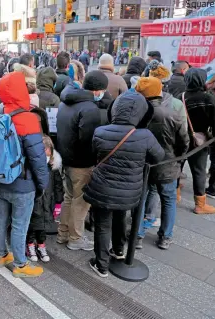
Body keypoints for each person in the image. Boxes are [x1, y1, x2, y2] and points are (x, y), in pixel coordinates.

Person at [83, 91, 164, 277]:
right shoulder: (145, 135)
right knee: (121, 217)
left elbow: (93, 155)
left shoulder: (100, 131)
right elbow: (159, 156)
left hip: (102, 188)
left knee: (103, 224)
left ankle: (101, 265)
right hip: (130, 189)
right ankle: (118, 251)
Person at [0, 72, 49, 278]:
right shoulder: (27, 118)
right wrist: (43, 184)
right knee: (19, 224)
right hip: (22, 182)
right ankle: (20, 265)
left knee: (0, 219)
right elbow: (38, 158)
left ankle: (2, 255)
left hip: (1, 178)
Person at [56, 70, 109, 250]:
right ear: (97, 90)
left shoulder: (66, 101)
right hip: (82, 163)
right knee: (81, 201)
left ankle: (63, 233)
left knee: (69, 198)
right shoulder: (90, 109)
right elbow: (88, 141)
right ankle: (76, 238)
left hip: (66, 159)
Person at [134, 77, 189, 250]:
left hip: (142, 162)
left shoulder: (137, 112)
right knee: (168, 199)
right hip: (168, 163)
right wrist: (178, 158)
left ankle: (138, 235)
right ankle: (165, 236)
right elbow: (184, 141)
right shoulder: (173, 113)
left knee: (141, 198)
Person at [182, 68, 215, 213]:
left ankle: (175, 195)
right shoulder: (207, 98)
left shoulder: (180, 96)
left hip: (181, 139)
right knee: (199, 171)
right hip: (200, 140)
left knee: (178, 166)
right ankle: (200, 205)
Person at [27, 135, 64, 263]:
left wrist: (58, 203)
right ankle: (30, 244)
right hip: (34, 203)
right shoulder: (32, 169)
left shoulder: (53, 170)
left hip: (47, 203)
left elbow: (58, 186)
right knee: (32, 225)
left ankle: (41, 245)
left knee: (42, 226)